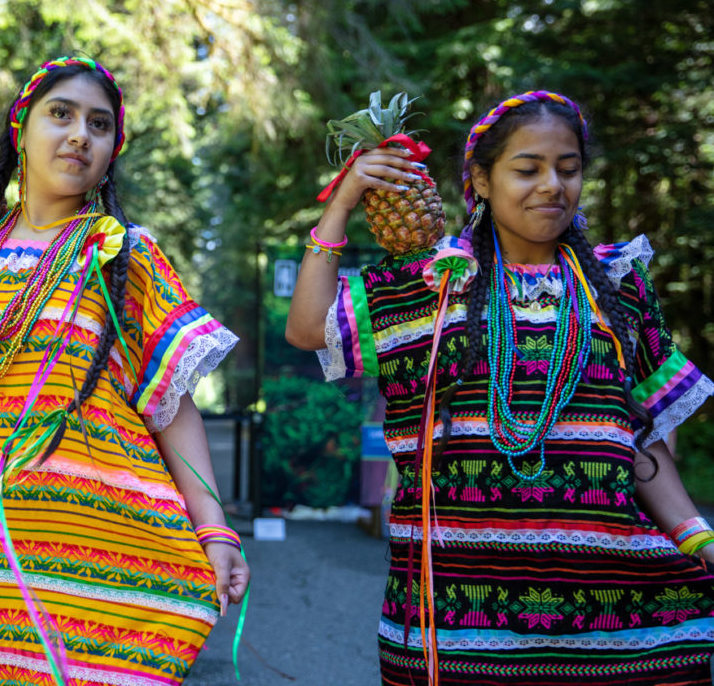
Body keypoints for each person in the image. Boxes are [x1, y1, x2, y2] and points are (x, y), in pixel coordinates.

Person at [286, 91, 714, 685]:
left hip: (617, 616)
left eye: (569, 169)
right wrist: (342, 203)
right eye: (527, 169)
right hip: (455, 618)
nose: (552, 185)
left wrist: (698, 539)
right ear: (481, 181)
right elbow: (307, 327)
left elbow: (641, 438)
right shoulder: (426, 284)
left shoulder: (618, 287)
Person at [0, 56, 249, 685]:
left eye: (99, 125)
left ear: (111, 152)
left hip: (108, 549)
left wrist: (214, 527)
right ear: (20, 129)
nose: (80, 134)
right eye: (61, 114)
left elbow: (171, 401)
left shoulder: (124, 254)